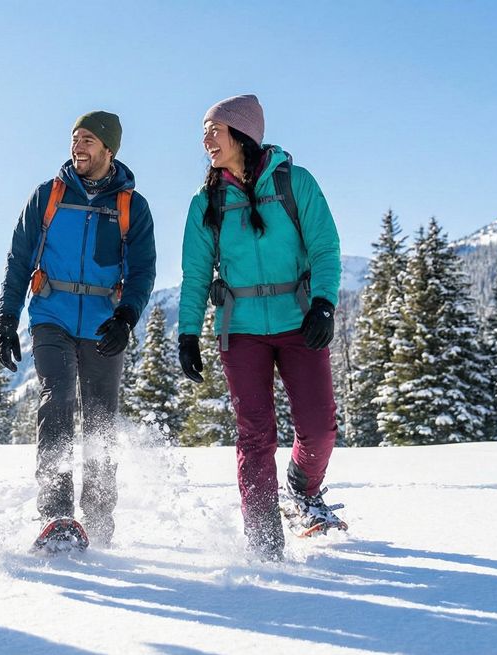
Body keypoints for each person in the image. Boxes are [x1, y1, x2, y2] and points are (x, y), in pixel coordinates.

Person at [177, 94, 346, 561]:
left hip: (298, 322)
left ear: (243, 132)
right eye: (203, 132)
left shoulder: (297, 183)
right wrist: (187, 332)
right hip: (242, 328)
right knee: (255, 435)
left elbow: (326, 249)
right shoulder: (206, 200)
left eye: (214, 129)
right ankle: (263, 540)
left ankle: (304, 489)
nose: (206, 139)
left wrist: (324, 305)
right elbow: (195, 273)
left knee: (318, 429)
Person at [0, 111, 157, 550]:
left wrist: (126, 317)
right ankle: (57, 514)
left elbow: (142, 271)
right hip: (52, 315)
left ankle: (100, 519)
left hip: (104, 321)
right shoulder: (48, 196)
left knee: (102, 418)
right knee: (59, 398)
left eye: (87, 139)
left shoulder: (131, 206)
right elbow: (19, 259)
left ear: (109, 149)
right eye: (74, 138)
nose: (77, 146)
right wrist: (8, 317)